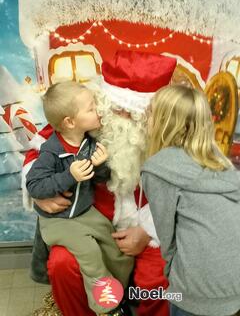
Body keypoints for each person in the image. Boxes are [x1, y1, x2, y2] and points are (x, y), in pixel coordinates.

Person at [22, 50, 177, 316]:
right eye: (117, 110)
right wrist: (39, 194)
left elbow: (184, 188)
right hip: (91, 223)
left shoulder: (171, 130)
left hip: (150, 223)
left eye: (134, 114)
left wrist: (148, 231)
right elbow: (38, 152)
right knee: (62, 263)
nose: (124, 120)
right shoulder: (86, 119)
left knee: (160, 281)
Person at [26, 81, 134, 315]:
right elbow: (34, 185)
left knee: (115, 250)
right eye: (91, 108)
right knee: (90, 254)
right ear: (70, 122)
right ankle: (107, 306)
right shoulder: (51, 151)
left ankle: (122, 292)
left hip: (84, 212)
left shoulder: (89, 142)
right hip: (59, 221)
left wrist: (100, 165)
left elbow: (100, 179)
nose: (98, 110)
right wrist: (68, 176)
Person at [141, 85, 240, 316]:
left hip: (199, 291)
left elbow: (166, 236)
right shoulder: (218, 160)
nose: (146, 116)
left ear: (164, 122)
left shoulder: (157, 169)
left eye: (151, 112)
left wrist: (173, 275)